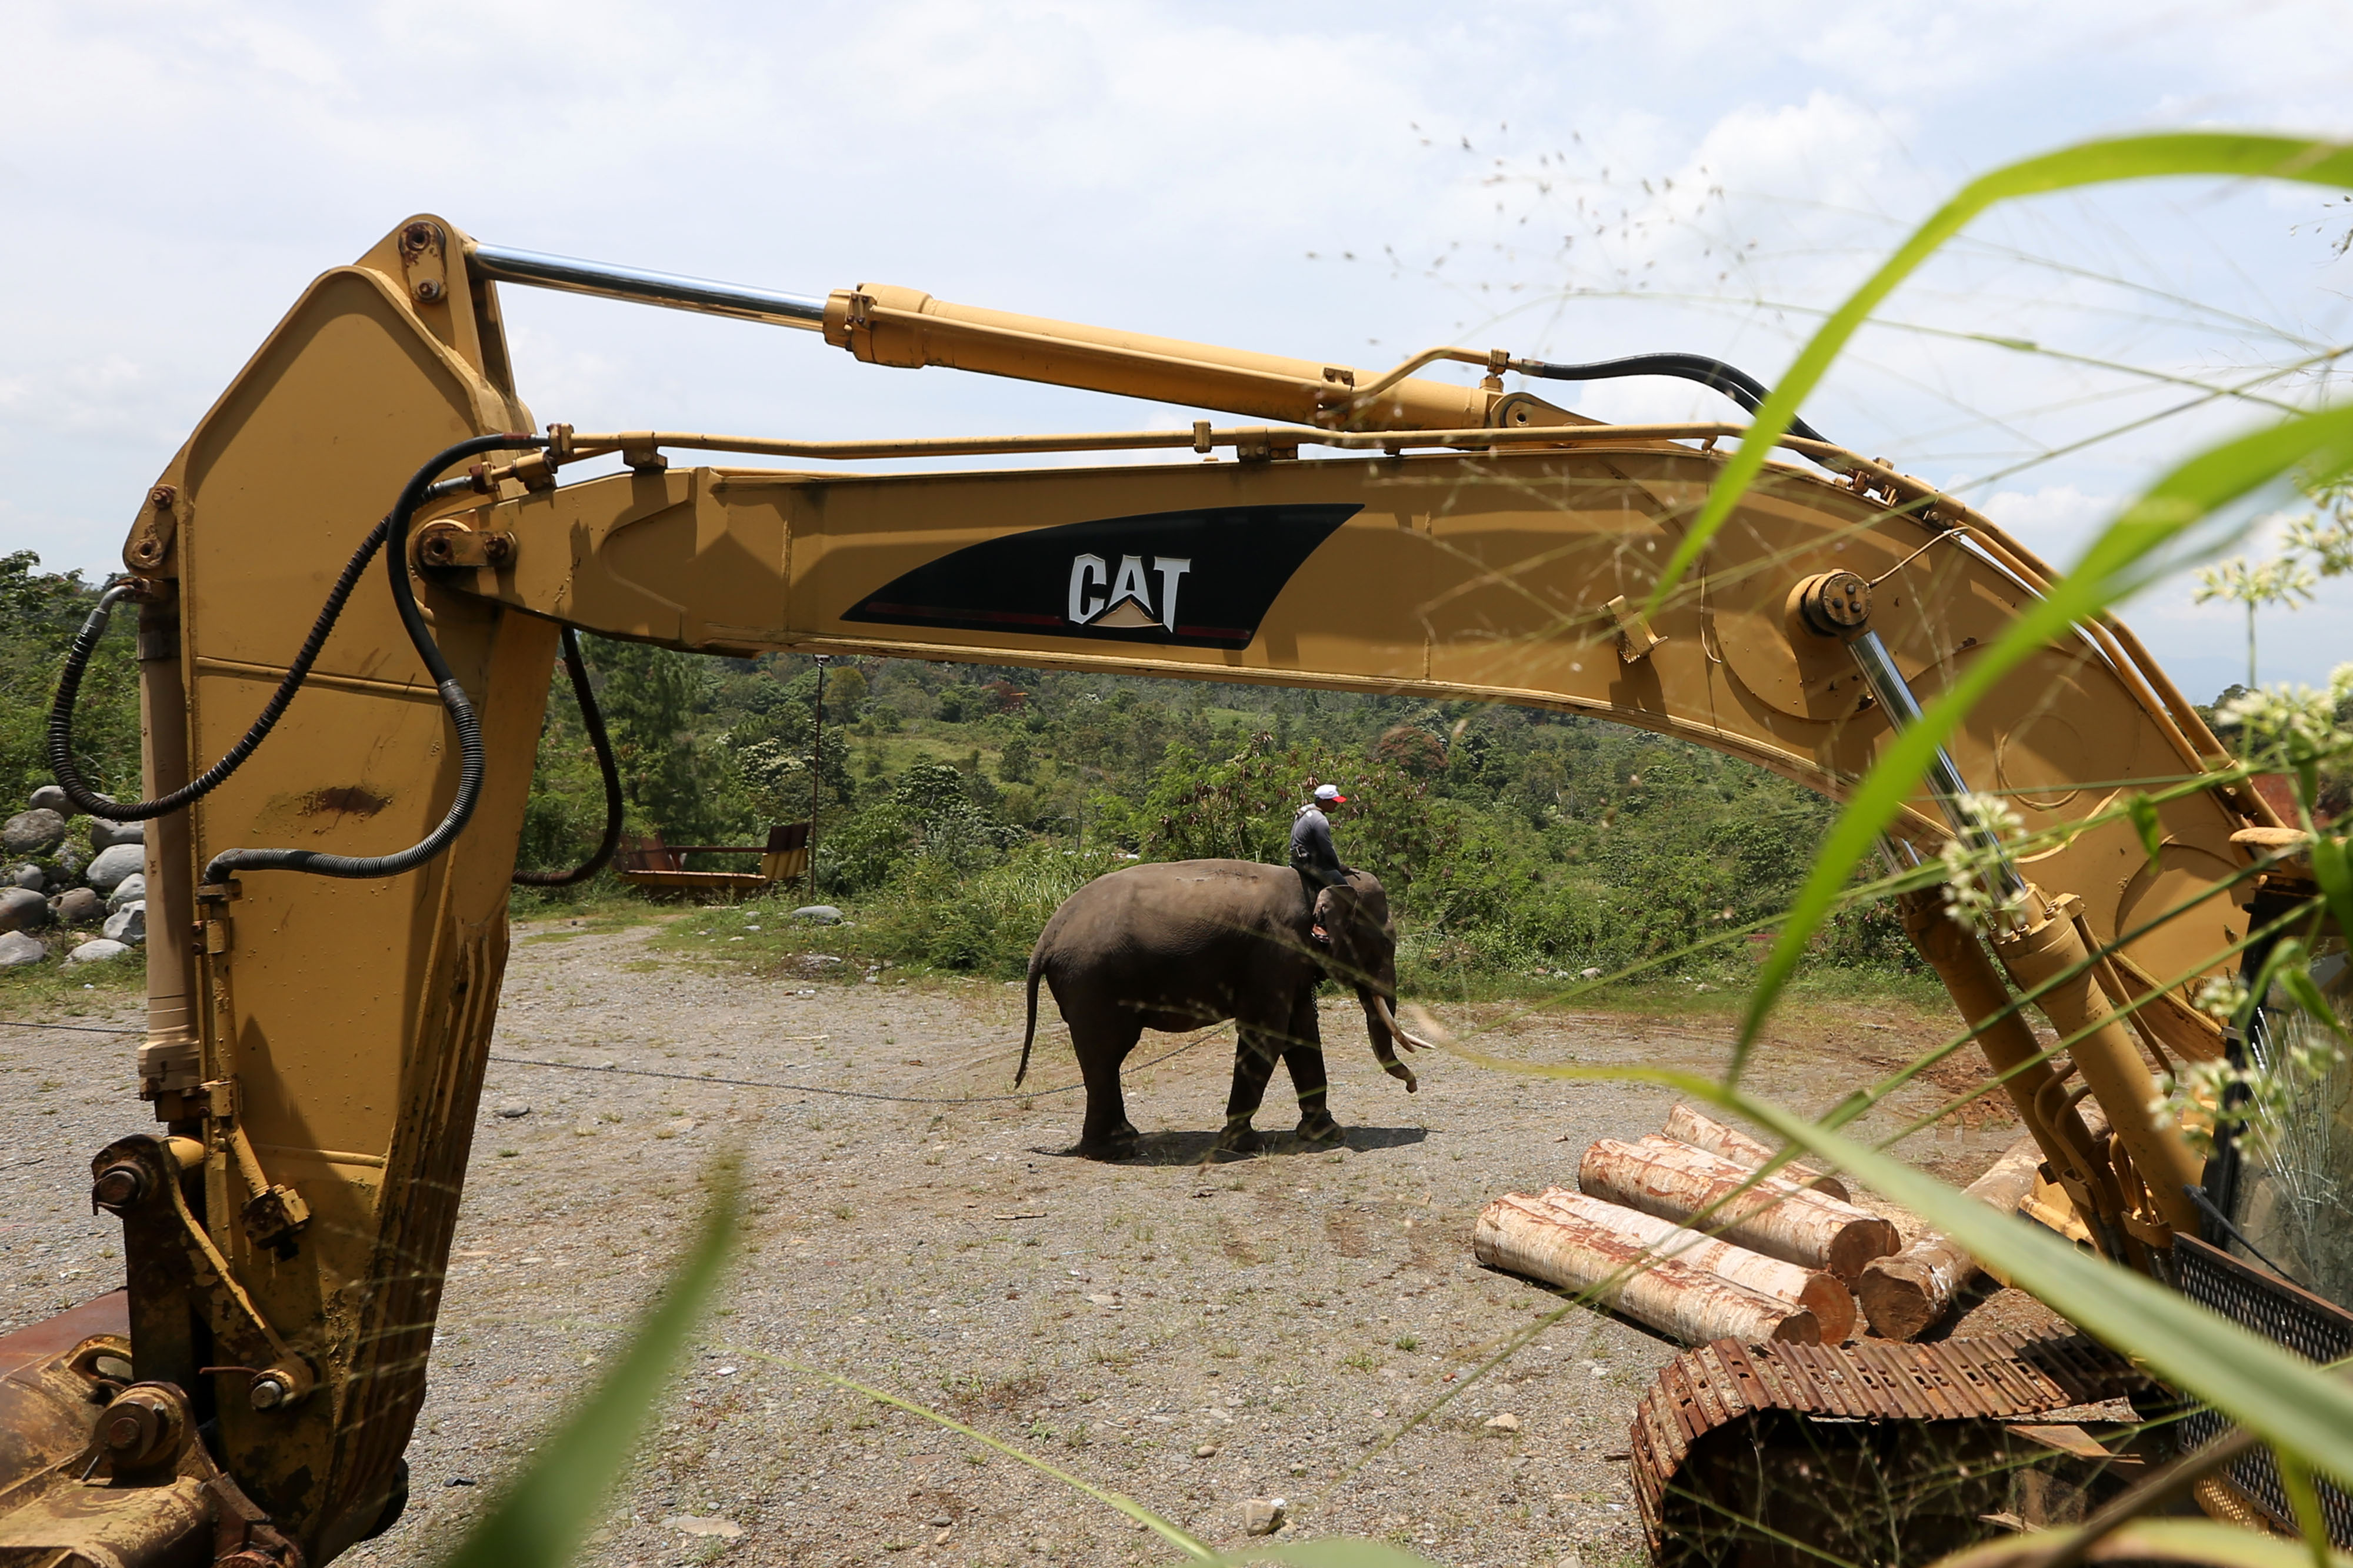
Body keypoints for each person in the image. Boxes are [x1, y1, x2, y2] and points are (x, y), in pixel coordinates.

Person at [1291, 783, 1351, 942]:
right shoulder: (1320, 821)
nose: (1336, 804)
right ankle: (1321, 924)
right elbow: (1327, 850)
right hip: (1310, 864)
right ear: (1323, 801)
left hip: (1297, 859)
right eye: (1333, 801)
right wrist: (1338, 867)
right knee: (1342, 888)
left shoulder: (1306, 810)